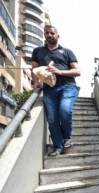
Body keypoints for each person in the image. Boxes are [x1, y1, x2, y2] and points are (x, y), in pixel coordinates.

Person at [31, 25, 81, 157]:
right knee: (52, 120)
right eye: (46, 33)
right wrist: (36, 82)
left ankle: (67, 138)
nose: (49, 35)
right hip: (49, 90)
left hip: (67, 86)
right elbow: (34, 70)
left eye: (52, 33)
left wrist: (59, 71)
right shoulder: (38, 51)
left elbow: (77, 71)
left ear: (58, 36)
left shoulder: (67, 52)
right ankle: (58, 147)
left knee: (64, 110)